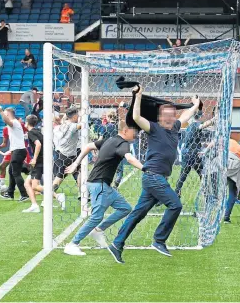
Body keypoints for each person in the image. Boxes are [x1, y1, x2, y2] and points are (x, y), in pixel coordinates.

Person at [108, 86, 201, 262]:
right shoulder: (153, 128)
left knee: (137, 214)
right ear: (159, 117)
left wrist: (195, 105)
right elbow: (135, 117)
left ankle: (117, 243)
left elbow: (186, 116)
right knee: (175, 205)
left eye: (172, 114)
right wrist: (138, 95)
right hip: (153, 176)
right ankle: (159, 240)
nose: (169, 117)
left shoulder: (175, 128)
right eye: (165, 114)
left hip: (156, 178)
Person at [64, 121, 143, 255]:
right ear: (125, 131)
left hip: (102, 185)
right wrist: (145, 168)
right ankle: (72, 244)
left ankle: (98, 231)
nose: (136, 134)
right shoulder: (123, 144)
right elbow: (129, 158)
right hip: (99, 184)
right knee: (96, 217)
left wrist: (76, 163)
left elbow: (88, 146)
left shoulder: (109, 140)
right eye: (134, 131)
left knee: (125, 208)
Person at [23, 115, 65, 213]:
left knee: (35, 186)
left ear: (27, 122)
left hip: (38, 162)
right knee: (27, 183)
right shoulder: (38, 131)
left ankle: (58, 196)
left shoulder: (31, 133)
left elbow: (38, 144)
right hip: (44, 160)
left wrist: (34, 159)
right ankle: (34, 205)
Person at [175, 113, 215, 198]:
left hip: (187, 154)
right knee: (202, 174)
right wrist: (214, 119)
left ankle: (177, 192)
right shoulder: (194, 124)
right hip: (194, 155)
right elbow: (202, 125)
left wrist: (202, 144)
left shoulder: (188, 128)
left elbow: (194, 139)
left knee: (183, 175)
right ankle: (207, 195)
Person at [0, 106, 29, 201]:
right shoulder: (14, 123)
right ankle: (10, 193)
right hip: (16, 151)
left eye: (6, 114)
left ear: (8, 114)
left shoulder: (14, 122)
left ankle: (24, 194)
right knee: (11, 172)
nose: (4, 116)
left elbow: (7, 121)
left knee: (16, 173)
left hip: (18, 151)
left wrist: (1, 111)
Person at [52, 107, 81, 203]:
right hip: (68, 155)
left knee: (76, 173)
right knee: (60, 177)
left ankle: (83, 194)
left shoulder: (61, 126)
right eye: (78, 114)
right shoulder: (73, 126)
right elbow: (82, 125)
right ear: (75, 115)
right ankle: (50, 195)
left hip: (61, 153)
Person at [224, 139, 240, 223]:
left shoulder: (225, 142)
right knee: (232, 192)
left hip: (226, 163)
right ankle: (226, 216)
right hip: (236, 163)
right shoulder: (234, 143)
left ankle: (219, 213)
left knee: (220, 191)